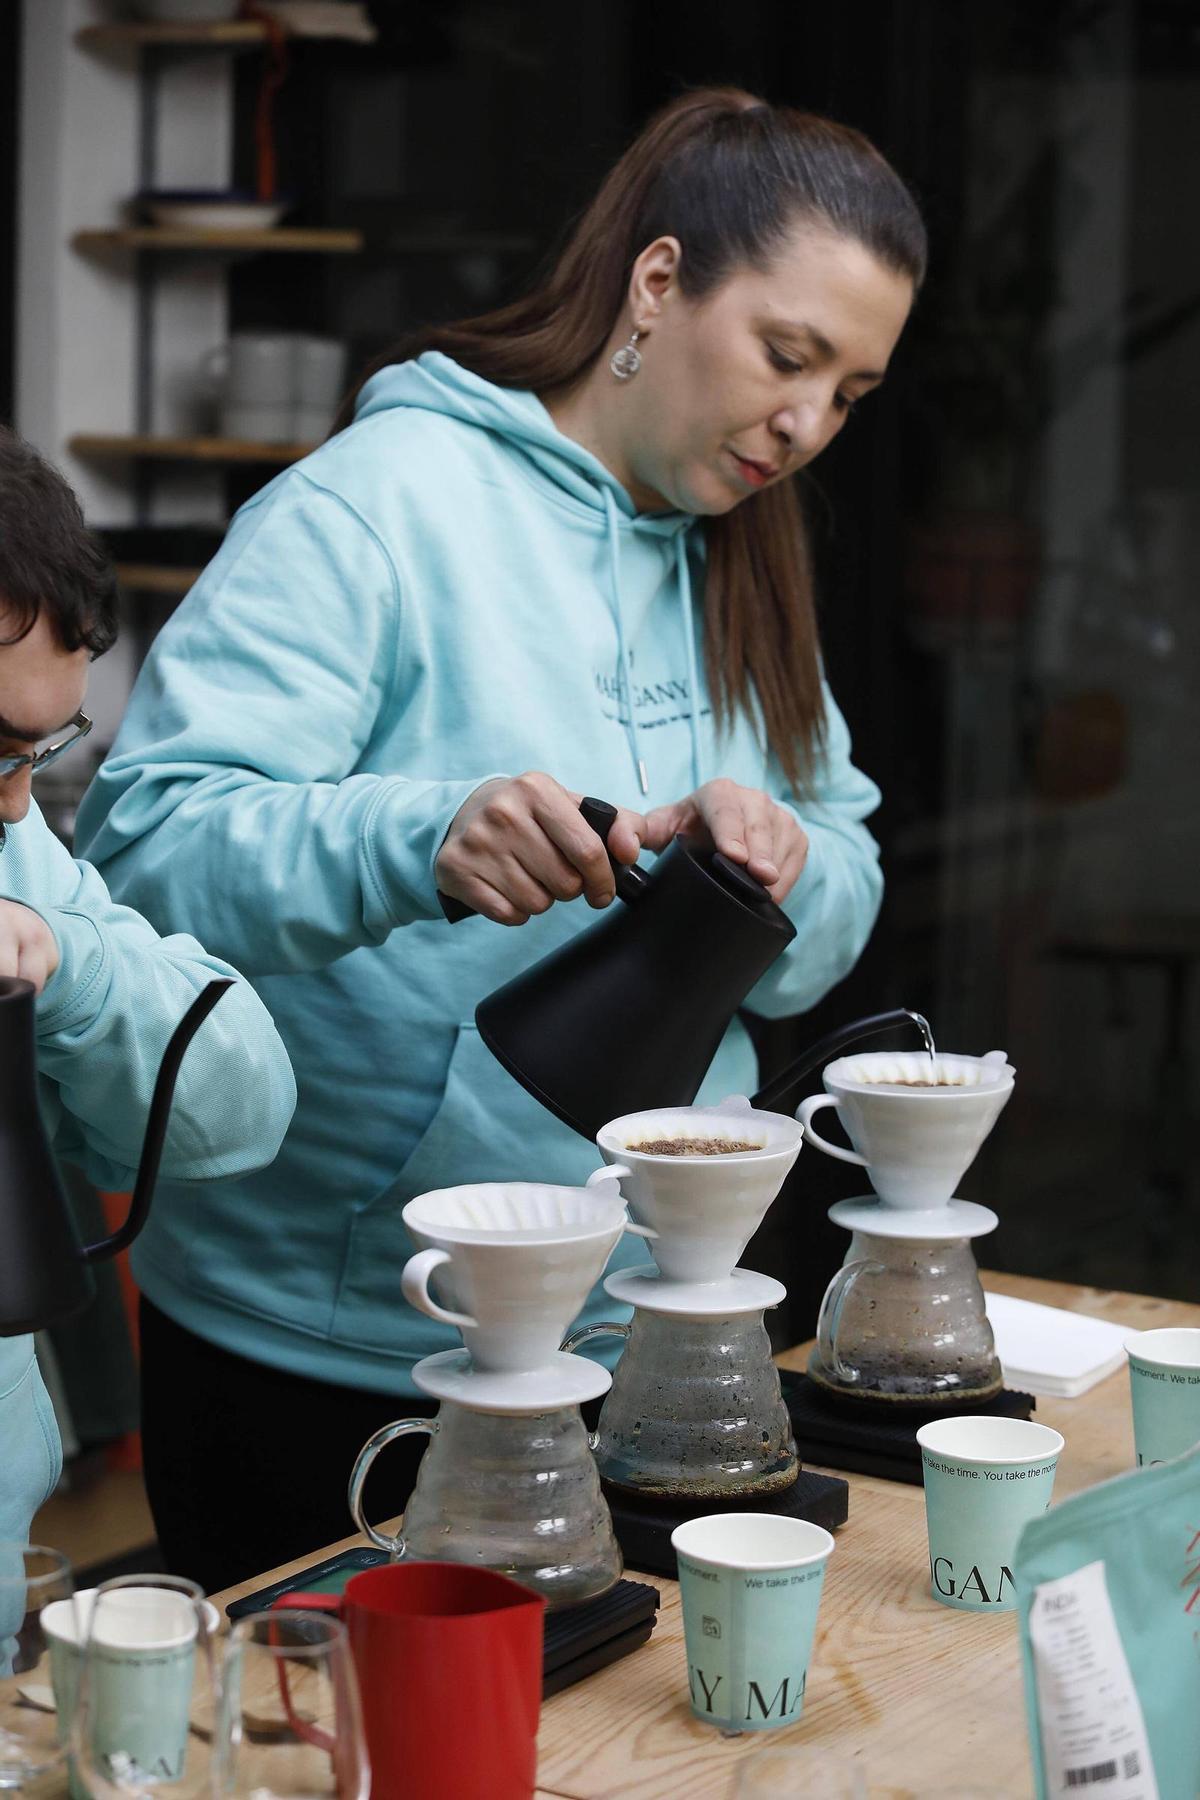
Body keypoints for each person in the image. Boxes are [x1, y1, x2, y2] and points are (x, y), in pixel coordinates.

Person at [77, 87, 926, 1589]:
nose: (806, 426)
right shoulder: (378, 507)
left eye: (851, 393)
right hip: (342, 1339)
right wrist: (422, 839)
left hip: (652, 1320)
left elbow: (838, 899)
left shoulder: (749, 564)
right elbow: (144, 851)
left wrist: (782, 861)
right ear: (658, 285)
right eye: (788, 357)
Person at [0, 427, 296, 1558]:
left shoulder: (14, 855)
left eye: (43, 747)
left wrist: (66, 969)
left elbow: (244, 1104)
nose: (21, 805)